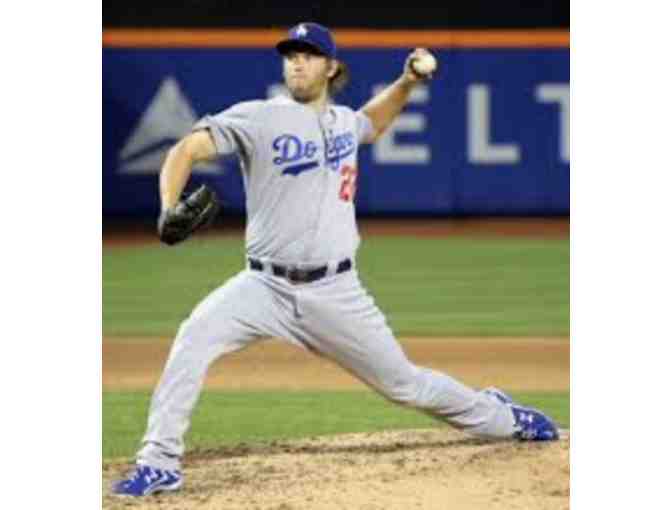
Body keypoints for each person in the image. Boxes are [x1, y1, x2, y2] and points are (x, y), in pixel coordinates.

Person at [112, 22, 558, 498]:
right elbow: (185, 149)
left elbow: (373, 123)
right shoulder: (258, 117)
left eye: (308, 55)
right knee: (193, 338)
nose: (297, 63)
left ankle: (501, 416)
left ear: (330, 67)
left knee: (405, 385)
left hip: (336, 292)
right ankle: (159, 461)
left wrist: (407, 82)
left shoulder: (344, 121)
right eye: (291, 55)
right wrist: (167, 207)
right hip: (262, 287)